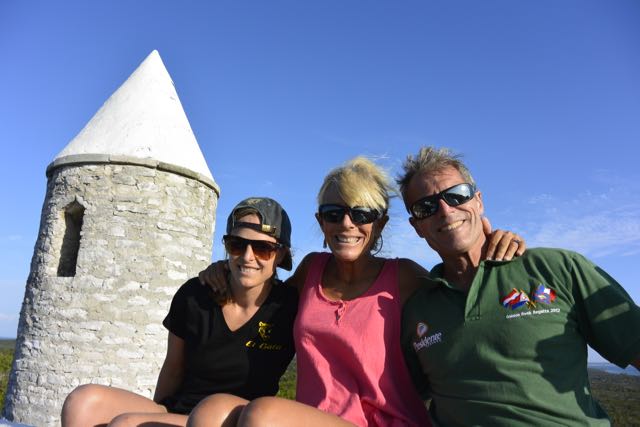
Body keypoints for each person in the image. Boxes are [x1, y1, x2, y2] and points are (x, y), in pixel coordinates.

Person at [189, 156, 525, 427]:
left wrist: (492, 246)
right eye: (334, 214)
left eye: (362, 213)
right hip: (310, 418)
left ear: (379, 224)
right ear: (321, 223)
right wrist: (227, 267)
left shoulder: (404, 277)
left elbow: (463, 296)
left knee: (263, 415)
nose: (347, 223)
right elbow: (262, 299)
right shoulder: (311, 270)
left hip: (388, 421)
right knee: (212, 411)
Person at [398, 146, 640, 426]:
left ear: (478, 201)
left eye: (457, 195)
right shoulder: (417, 309)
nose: (445, 210)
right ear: (416, 226)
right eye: (426, 207)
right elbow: (401, 399)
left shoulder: (557, 268)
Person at [60, 197, 297, 427]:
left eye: (263, 248)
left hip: (232, 419)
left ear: (281, 254)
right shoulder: (195, 296)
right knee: (82, 402)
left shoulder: (289, 308)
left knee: (126, 425)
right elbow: (173, 368)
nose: (247, 256)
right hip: (180, 412)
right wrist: (155, 413)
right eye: (237, 244)